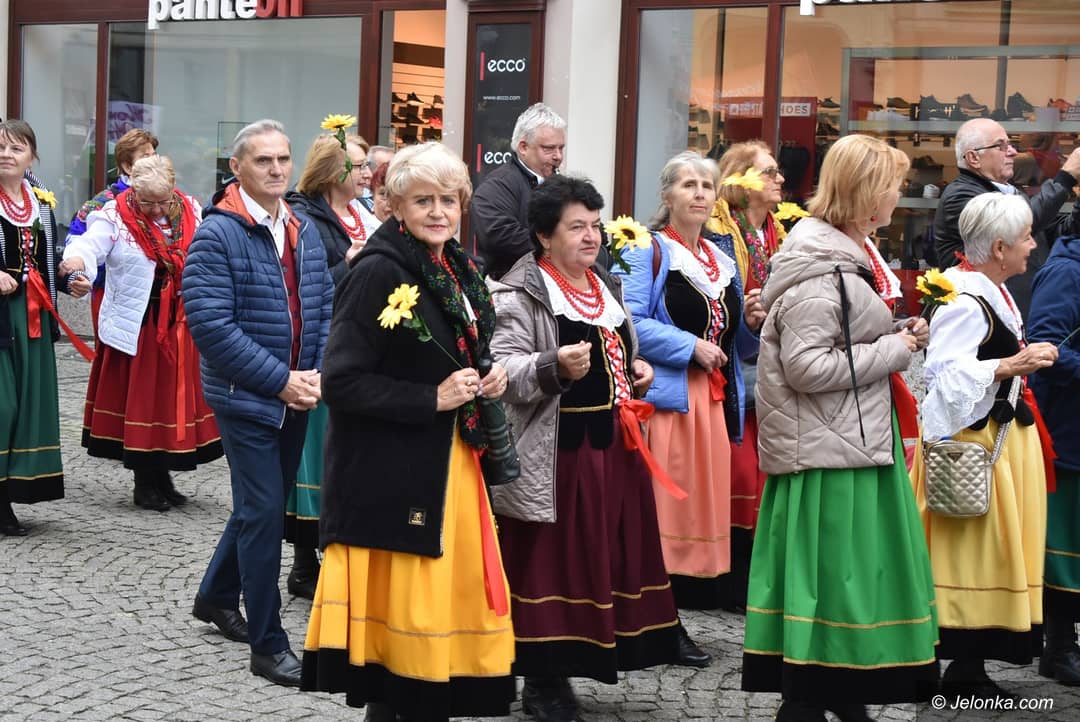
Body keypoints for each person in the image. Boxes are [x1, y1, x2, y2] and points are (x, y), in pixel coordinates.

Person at [301, 142, 515, 721]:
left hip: (447, 465)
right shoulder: (377, 271)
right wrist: (431, 398)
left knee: (424, 645)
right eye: (423, 200)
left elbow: (456, 350)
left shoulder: (457, 268)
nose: (438, 212)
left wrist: (486, 374)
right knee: (402, 655)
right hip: (394, 477)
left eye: (449, 200)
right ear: (395, 205)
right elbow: (341, 382)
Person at [743, 134, 939, 720]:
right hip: (828, 455)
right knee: (836, 580)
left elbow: (841, 336)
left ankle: (842, 693)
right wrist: (896, 349)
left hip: (849, 441)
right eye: (893, 185)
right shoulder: (821, 267)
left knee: (847, 582)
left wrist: (895, 332)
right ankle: (810, 700)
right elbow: (807, 367)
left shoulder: (841, 252)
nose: (900, 194)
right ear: (867, 193)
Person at [488, 175, 680, 722]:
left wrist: (635, 369)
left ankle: (585, 655)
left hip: (613, 451)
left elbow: (618, 352)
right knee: (552, 566)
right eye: (577, 227)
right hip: (557, 455)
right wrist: (552, 365)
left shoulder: (605, 286)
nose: (591, 236)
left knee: (602, 558)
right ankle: (543, 678)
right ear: (544, 236)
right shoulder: (518, 293)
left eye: (595, 225)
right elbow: (502, 370)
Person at [182, 120, 334, 687]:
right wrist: (280, 381)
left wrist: (314, 374)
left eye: (283, 159)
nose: (275, 169)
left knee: (257, 505)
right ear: (237, 167)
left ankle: (216, 595)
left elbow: (322, 303)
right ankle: (268, 645)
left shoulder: (301, 226)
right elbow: (211, 327)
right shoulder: (217, 233)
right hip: (244, 398)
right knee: (266, 511)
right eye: (263, 160)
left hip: (296, 394)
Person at [615, 150, 763, 660]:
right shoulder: (646, 249)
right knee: (663, 514)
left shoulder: (722, 260)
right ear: (667, 195)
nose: (699, 193)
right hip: (669, 400)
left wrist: (753, 323)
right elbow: (629, 320)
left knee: (690, 514)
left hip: (712, 402)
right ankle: (658, 624)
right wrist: (689, 346)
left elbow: (735, 342)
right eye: (688, 184)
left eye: (707, 185)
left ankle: (663, 620)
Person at [916, 191, 1057, 698]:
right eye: (1025, 238)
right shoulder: (965, 298)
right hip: (973, 449)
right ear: (999, 248)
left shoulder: (987, 289)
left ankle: (968, 667)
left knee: (987, 552)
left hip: (997, 443)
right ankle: (955, 661)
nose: (1032, 246)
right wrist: (1011, 364)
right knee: (970, 552)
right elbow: (944, 377)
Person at [60, 155, 222, 511]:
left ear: (173, 190)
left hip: (180, 323)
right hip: (138, 324)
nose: (156, 209)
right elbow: (88, 245)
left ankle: (162, 476)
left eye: (162, 200)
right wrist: (76, 266)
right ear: (133, 189)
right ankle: (144, 482)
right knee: (143, 402)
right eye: (147, 202)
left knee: (169, 402)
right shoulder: (113, 216)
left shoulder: (191, 210)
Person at [280, 131, 381, 599]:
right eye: (357, 166)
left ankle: (341, 555)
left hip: (362, 346)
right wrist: (351, 264)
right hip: (323, 348)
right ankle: (304, 565)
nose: (366, 174)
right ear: (330, 171)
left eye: (365, 165)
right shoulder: (304, 218)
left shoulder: (363, 212)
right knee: (316, 454)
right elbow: (306, 283)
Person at [705, 140, 787, 611]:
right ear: (741, 179)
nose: (779, 179)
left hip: (771, 363)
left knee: (761, 474)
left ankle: (756, 576)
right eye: (769, 172)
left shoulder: (779, 230)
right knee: (740, 474)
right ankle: (730, 580)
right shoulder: (721, 231)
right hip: (735, 364)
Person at [933, 118, 1080, 313]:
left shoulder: (1010, 191)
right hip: (984, 316)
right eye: (1001, 146)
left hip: (1024, 312)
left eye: (1010, 144)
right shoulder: (960, 196)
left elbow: (1058, 232)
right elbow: (1015, 227)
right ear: (973, 158)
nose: (1013, 152)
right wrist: (1066, 177)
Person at [0, 119, 66, 536]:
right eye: (0, 147)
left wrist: (68, 278)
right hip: (2, 318)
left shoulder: (40, 201)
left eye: (16, 148)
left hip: (34, 317)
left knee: (28, 407)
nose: (6, 154)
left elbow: (45, 261)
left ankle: (11, 492)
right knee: (3, 405)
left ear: (32, 157)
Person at [1029, 228, 1080, 686]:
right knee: (1064, 546)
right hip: (1068, 431)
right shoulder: (1066, 272)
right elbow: (1045, 348)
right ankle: (1059, 647)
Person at [65, 128, 158, 332]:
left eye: (154, 155)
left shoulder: (164, 199)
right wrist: (86, 273)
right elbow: (77, 240)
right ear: (127, 166)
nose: (153, 162)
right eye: (145, 157)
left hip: (155, 296)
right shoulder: (103, 203)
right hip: (112, 294)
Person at [473, 102, 566, 279]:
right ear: (523, 147)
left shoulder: (562, 185)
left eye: (561, 148)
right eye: (549, 149)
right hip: (512, 286)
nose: (558, 156)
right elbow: (499, 237)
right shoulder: (497, 186)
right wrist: (562, 244)